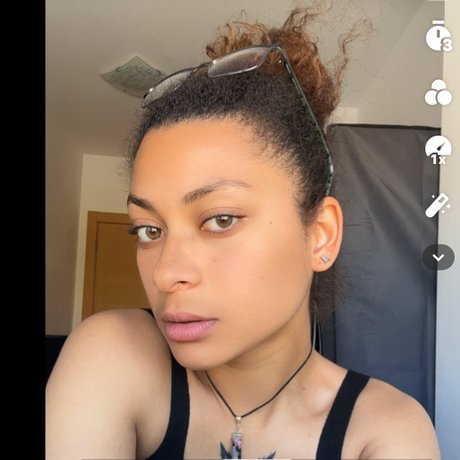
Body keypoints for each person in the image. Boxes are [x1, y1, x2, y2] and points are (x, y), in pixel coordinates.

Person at [46, 6, 441, 460]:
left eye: (220, 219)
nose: (165, 274)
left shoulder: (385, 429)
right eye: (149, 229)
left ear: (321, 236)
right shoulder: (115, 355)